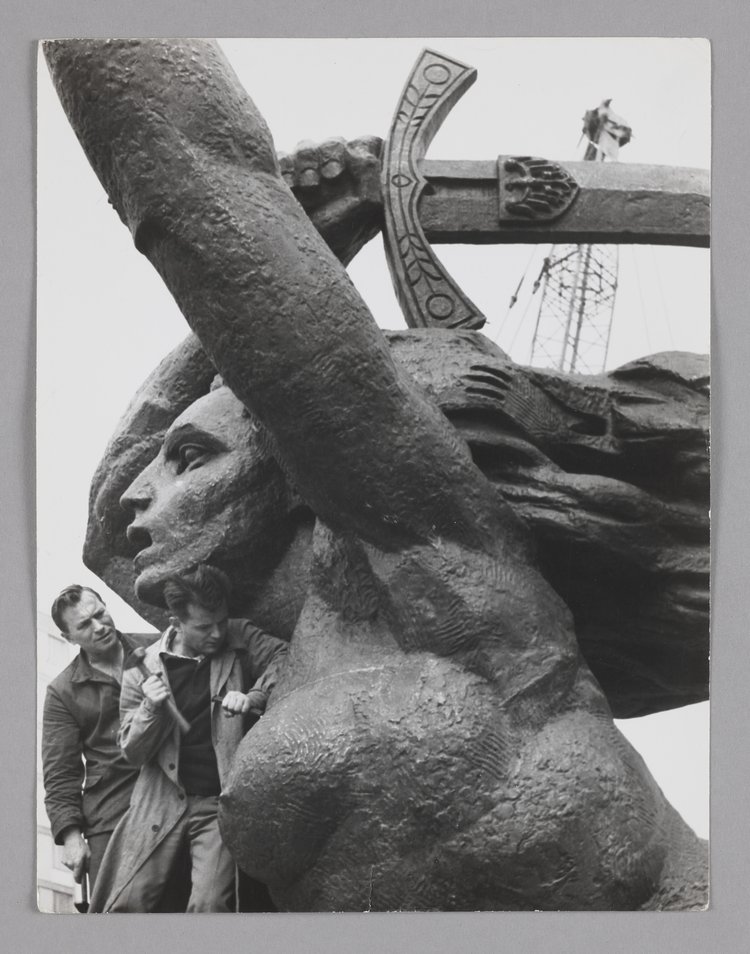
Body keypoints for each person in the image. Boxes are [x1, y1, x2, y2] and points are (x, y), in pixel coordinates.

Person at [46, 38, 709, 911]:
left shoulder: (445, 578)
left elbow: (182, 158)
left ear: (297, 464)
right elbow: (104, 528)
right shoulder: (266, 639)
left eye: (191, 459)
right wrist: (302, 252)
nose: (143, 496)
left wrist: (281, 249)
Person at [88, 564, 288, 913]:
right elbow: (132, 753)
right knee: (127, 903)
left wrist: (253, 696)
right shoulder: (142, 666)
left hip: (217, 800)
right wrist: (151, 707)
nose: (216, 633)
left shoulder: (238, 637)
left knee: (210, 905)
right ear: (175, 623)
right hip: (162, 798)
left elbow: (286, 657)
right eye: (203, 627)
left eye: (221, 621)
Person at [42, 585, 154, 891]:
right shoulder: (61, 692)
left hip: (176, 789)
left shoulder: (158, 648)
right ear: (69, 638)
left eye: (101, 614)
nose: (100, 627)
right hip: (111, 812)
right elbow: (61, 774)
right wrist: (71, 837)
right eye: (84, 625)